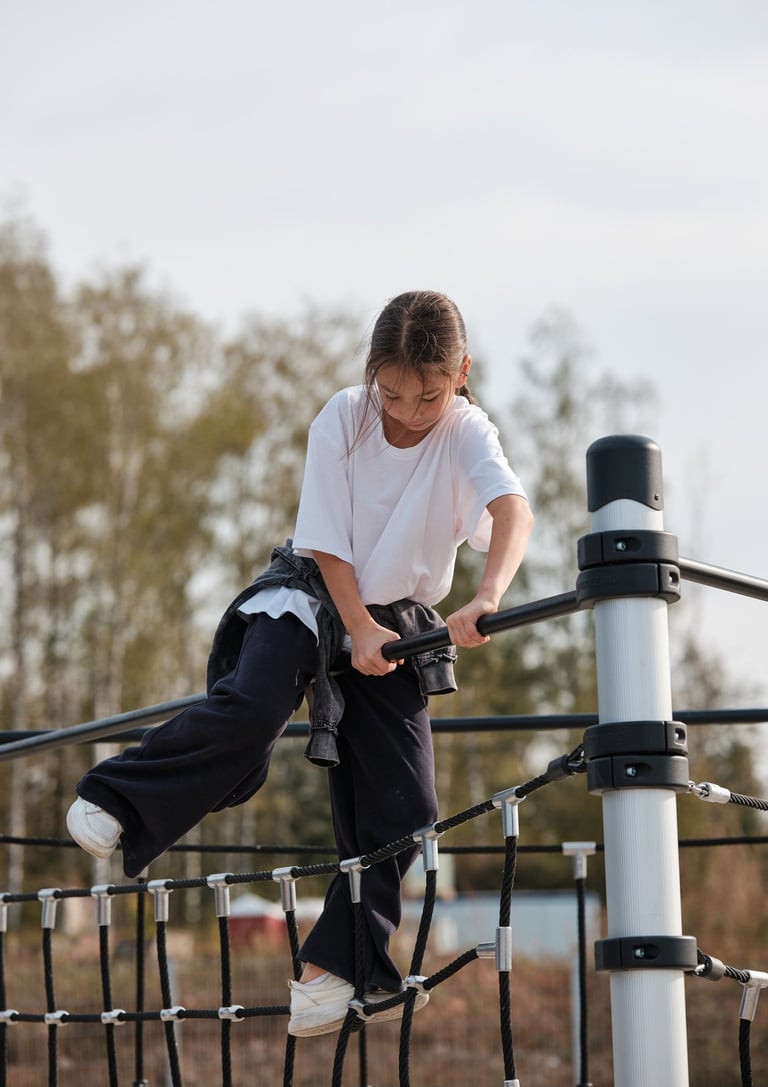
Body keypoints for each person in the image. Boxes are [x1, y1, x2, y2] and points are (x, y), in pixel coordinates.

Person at [66, 289, 534, 1037]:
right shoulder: (343, 418)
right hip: (314, 592)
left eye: (429, 394)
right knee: (251, 710)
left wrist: (486, 596)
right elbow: (327, 541)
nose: (409, 411)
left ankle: (334, 964)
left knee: (407, 810)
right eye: (393, 392)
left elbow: (513, 508)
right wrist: (355, 627)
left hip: (397, 623)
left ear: (461, 374)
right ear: (371, 374)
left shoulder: (469, 431)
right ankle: (120, 795)